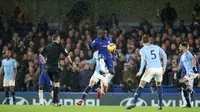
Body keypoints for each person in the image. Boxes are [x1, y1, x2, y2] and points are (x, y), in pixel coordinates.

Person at [126, 35, 167, 110]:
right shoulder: (156, 47)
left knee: (141, 84)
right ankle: (160, 105)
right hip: (159, 69)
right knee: (158, 85)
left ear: (142, 42)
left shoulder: (142, 50)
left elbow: (143, 61)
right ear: (149, 41)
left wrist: (140, 71)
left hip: (150, 69)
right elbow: (164, 55)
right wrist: (164, 66)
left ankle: (134, 102)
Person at [39, 34, 72, 106]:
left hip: (48, 68)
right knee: (57, 84)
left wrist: (45, 63)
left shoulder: (47, 46)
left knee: (54, 84)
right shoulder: (59, 46)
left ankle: (56, 101)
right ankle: (54, 101)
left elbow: (40, 55)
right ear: (58, 39)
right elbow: (67, 56)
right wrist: (71, 62)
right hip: (55, 67)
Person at [90, 29, 118, 93]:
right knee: (102, 68)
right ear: (100, 34)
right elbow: (91, 47)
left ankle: (104, 84)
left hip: (108, 57)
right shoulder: (97, 40)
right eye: (103, 33)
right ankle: (102, 81)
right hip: (101, 56)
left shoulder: (109, 39)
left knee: (112, 72)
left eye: (106, 33)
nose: (105, 35)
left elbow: (113, 48)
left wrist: (116, 53)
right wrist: (91, 44)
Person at [172, 42, 199, 108]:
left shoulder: (188, 53)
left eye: (180, 46)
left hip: (191, 72)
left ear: (184, 47)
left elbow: (194, 60)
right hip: (186, 73)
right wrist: (173, 70)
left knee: (183, 83)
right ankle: (188, 104)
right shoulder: (181, 55)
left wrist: (195, 70)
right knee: (184, 89)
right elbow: (180, 66)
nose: (179, 48)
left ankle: (191, 94)